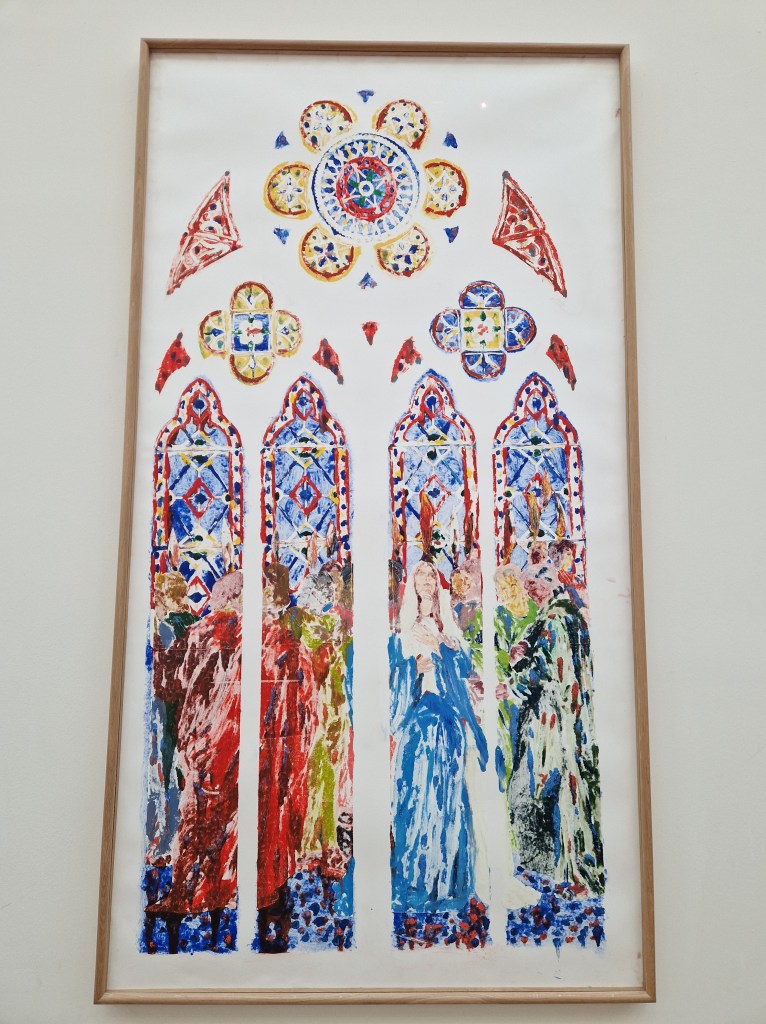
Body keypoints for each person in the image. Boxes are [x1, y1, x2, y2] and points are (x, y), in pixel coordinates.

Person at [144, 570, 242, 953]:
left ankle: (182, 896)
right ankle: (216, 898)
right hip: (232, 742)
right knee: (225, 828)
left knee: (193, 822)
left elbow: (181, 680)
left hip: (201, 740)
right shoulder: (251, 635)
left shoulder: (201, 632)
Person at [495, 561, 604, 897]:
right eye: (527, 586)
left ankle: (555, 872)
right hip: (569, 717)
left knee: (534, 792)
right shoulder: (565, 616)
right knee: (555, 792)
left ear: (550, 584)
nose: (530, 592)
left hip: (551, 720)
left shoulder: (555, 618)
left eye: (534, 585)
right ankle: (560, 872)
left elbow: (544, 669)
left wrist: (509, 686)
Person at [390, 558, 488, 921]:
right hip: (418, 721)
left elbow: (466, 672)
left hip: (446, 721)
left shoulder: (449, 626)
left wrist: (446, 652)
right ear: (413, 586)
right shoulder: (403, 628)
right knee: (415, 795)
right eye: (421, 577)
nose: (427, 582)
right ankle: (416, 879)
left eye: (431, 576)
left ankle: (447, 882)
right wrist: (411, 670)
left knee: (447, 797)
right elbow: (391, 675)